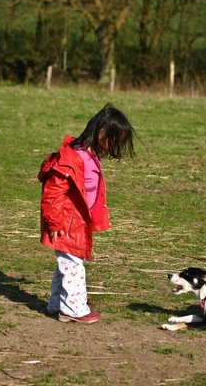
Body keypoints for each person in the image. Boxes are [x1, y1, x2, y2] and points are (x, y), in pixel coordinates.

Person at [38, 103, 136, 324]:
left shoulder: (90, 156)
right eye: (113, 141)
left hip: (78, 222)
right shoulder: (72, 158)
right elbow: (53, 192)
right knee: (73, 265)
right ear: (101, 133)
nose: (114, 148)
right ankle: (74, 309)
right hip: (65, 222)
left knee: (67, 263)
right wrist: (53, 222)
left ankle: (56, 304)